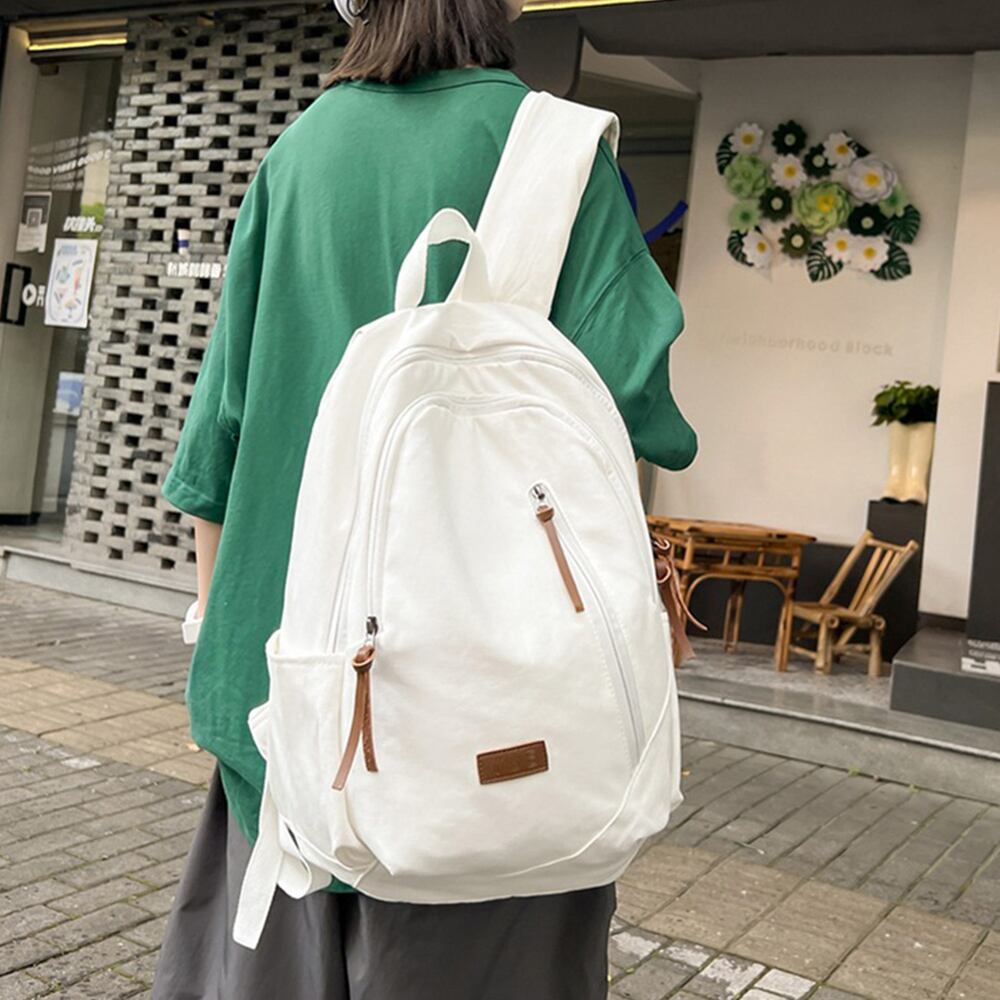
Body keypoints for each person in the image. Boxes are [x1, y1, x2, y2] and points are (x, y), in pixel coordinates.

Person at [151, 0, 697, 996]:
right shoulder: (557, 153)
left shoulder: (299, 152)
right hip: (498, 718)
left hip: (289, 694)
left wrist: (217, 646)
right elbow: (637, 417)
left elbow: (215, 444)